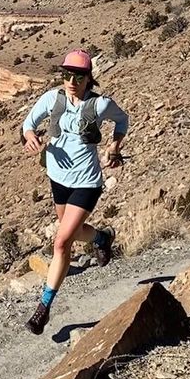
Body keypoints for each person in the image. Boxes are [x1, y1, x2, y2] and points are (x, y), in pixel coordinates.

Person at [20, 49, 128, 335]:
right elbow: (28, 125)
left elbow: (123, 120)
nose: (71, 82)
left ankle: (43, 308)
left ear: (88, 78)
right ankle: (102, 238)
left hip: (86, 181)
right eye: (67, 75)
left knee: (61, 242)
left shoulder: (100, 105)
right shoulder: (51, 99)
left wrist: (114, 146)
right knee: (74, 233)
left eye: (78, 77)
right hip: (57, 178)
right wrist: (30, 138)